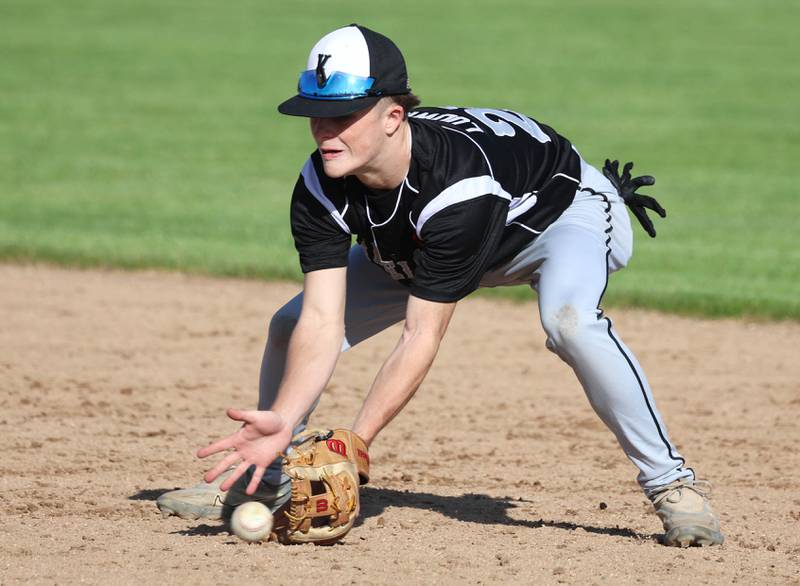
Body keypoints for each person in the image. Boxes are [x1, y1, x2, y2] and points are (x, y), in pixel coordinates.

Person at [157, 24, 723, 547]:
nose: (325, 131)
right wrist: (285, 420)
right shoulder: (320, 185)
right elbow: (323, 321)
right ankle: (265, 474)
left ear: (393, 116)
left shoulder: (460, 188)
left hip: (559, 216)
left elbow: (420, 335)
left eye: (344, 114)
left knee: (569, 322)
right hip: (424, 239)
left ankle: (673, 485)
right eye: (316, 114)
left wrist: (352, 445)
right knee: (289, 322)